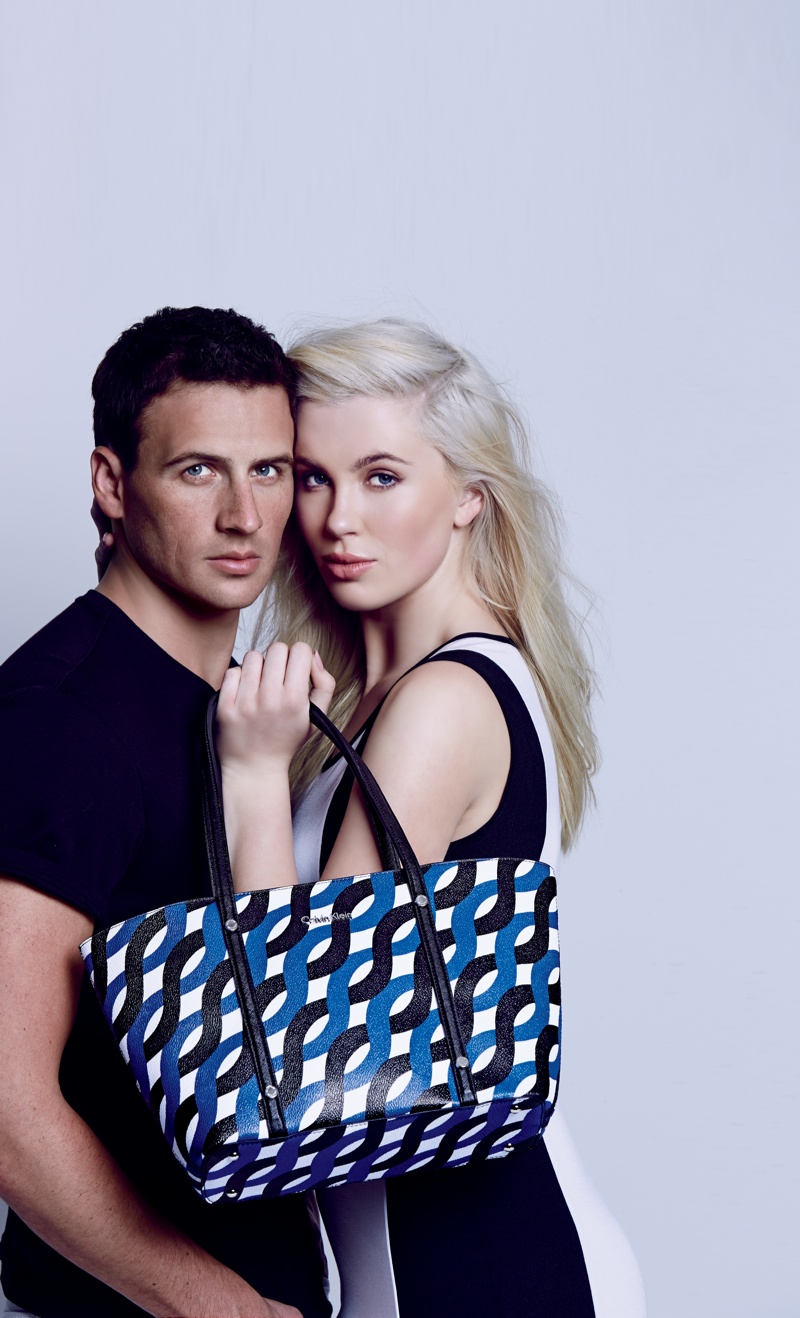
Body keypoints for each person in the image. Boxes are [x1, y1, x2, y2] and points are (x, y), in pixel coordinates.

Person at [216, 319, 647, 1318]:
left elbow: (305, 1023)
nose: (337, 518)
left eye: (381, 477)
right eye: (312, 479)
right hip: (410, 1273)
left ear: (466, 496)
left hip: (495, 1267)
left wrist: (253, 772)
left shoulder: (443, 701)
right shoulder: (371, 698)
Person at [0, 306, 335, 1318]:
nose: (244, 516)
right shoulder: (59, 721)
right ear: (112, 483)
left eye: (269, 470)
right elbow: (6, 1104)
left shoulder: (245, 708)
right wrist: (216, 1306)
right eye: (198, 471)